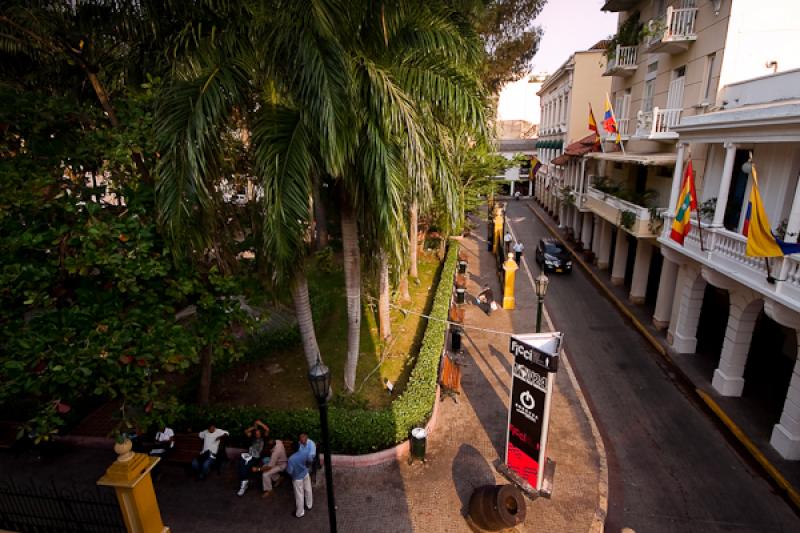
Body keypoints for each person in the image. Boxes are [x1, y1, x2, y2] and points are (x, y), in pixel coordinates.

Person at [236, 420, 268, 496]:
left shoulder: (263, 439)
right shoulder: (252, 438)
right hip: (248, 455)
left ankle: (243, 485)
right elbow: (246, 431)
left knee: (245, 466)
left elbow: (267, 429)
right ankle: (244, 482)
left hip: (256, 458)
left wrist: (260, 424)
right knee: (241, 463)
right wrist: (254, 427)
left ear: (261, 434)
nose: (257, 435)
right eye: (256, 434)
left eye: (258, 434)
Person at [286, 448, 313, 518]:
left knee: (299, 495)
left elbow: (289, 471)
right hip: (305, 473)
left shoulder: (291, 459)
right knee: (308, 490)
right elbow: (309, 461)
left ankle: (300, 513)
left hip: (297, 478)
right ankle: (309, 505)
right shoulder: (304, 452)